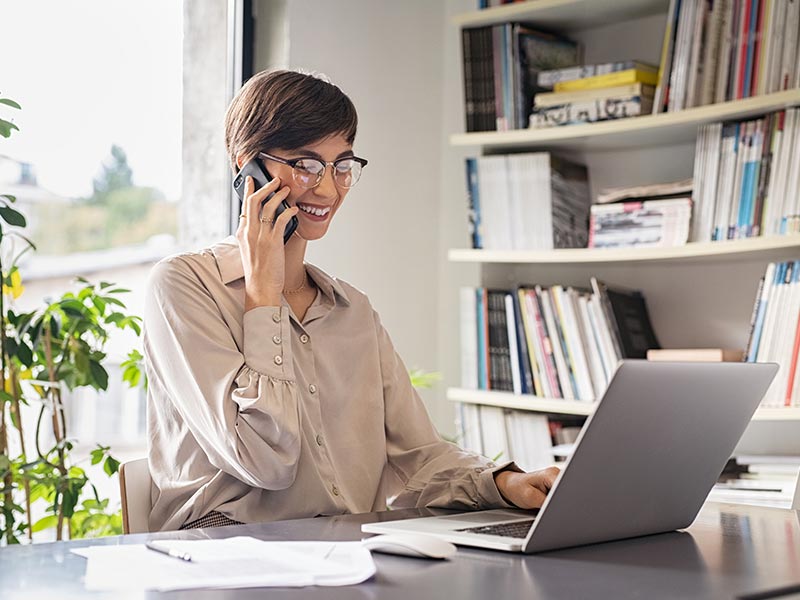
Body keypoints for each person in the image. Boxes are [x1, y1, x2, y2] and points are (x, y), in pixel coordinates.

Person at [143, 69, 559, 532]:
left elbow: (419, 456)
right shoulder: (182, 287)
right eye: (305, 164)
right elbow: (265, 461)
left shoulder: (353, 310)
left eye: (341, 165)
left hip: (346, 557)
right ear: (248, 167)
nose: (327, 188)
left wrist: (502, 484)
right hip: (220, 560)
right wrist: (263, 294)